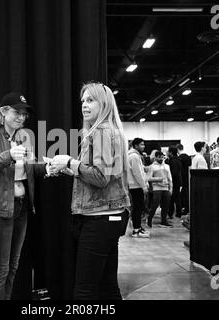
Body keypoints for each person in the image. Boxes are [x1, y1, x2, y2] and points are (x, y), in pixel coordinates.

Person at [49, 82, 130, 300]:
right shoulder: (108, 131)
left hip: (100, 218)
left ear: (103, 103)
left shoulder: (102, 132)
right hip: (108, 215)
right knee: (107, 286)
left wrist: (70, 162)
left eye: (90, 100)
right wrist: (66, 166)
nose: (84, 105)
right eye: (83, 101)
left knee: (85, 289)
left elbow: (101, 177)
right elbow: (98, 174)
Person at [0, 92, 49, 300]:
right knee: (0, 271)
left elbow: (30, 168)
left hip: (21, 208)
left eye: (24, 114)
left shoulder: (23, 137)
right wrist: (7, 156)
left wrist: (49, 166)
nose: (21, 117)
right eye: (17, 112)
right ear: (3, 112)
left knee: (13, 267)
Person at [127, 138, 150, 238]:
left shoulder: (133, 156)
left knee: (138, 208)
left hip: (135, 185)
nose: (143, 146)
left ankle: (138, 227)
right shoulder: (134, 156)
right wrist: (143, 186)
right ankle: (136, 230)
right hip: (136, 186)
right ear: (135, 146)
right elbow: (137, 173)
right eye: (141, 144)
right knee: (137, 208)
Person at [146, 151, 173, 228]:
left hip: (166, 188)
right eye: (159, 157)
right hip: (156, 188)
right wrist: (159, 179)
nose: (161, 158)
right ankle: (149, 218)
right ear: (156, 157)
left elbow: (170, 178)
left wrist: (171, 188)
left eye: (162, 157)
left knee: (166, 206)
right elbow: (148, 178)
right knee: (155, 205)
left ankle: (164, 221)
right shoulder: (152, 166)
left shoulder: (167, 166)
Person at [166, 146, 182, 219]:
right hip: (178, 181)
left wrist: (169, 179)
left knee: (173, 198)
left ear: (171, 152)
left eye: (168, 151)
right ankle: (176, 213)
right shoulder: (178, 160)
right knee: (176, 198)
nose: (167, 153)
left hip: (174, 181)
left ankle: (172, 213)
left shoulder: (173, 161)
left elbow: (174, 173)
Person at [176, 144, 191, 216]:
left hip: (181, 179)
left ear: (178, 149)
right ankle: (187, 208)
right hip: (188, 178)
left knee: (182, 195)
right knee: (187, 194)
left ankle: (183, 209)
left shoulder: (179, 158)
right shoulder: (188, 157)